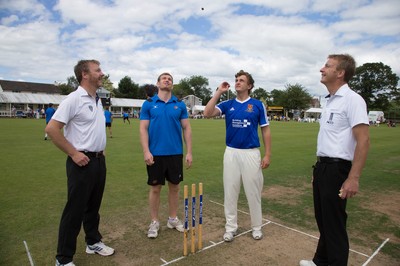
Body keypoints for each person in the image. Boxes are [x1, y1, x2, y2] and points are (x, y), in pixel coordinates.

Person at [300, 54, 369, 266]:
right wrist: (318, 170)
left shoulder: (353, 100)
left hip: (338, 169)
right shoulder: (329, 100)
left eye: (327, 66)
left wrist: (353, 178)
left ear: (340, 73)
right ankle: (321, 261)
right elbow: (329, 139)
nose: (322, 69)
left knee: (335, 224)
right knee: (324, 220)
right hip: (323, 167)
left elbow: (363, 141)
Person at [45, 60, 114, 266]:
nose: (102, 73)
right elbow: (52, 129)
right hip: (80, 162)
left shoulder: (97, 99)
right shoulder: (73, 99)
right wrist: (74, 153)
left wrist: (99, 150)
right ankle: (63, 259)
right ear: (85, 74)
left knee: (93, 207)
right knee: (74, 210)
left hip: (98, 161)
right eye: (98, 70)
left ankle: (93, 242)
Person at [204, 70, 271, 242]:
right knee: (230, 191)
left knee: (253, 193)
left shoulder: (257, 104)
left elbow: (265, 129)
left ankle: (256, 227)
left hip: (251, 153)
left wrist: (267, 154)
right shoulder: (228, 104)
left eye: (241, 80)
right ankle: (230, 228)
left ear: (249, 86)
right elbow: (207, 113)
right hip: (231, 153)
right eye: (236, 80)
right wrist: (218, 91)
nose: (237, 82)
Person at [139, 73, 193, 239]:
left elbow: (187, 128)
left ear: (172, 85)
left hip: (175, 153)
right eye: (164, 78)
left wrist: (189, 151)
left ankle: (172, 219)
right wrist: (146, 151)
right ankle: (154, 222)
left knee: (174, 187)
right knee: (155, 188)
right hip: (155, 154)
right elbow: (143, 129)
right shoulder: (148, 104)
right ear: (158, 83)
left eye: (170, 79)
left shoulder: (180, 104)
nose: (167, 80)